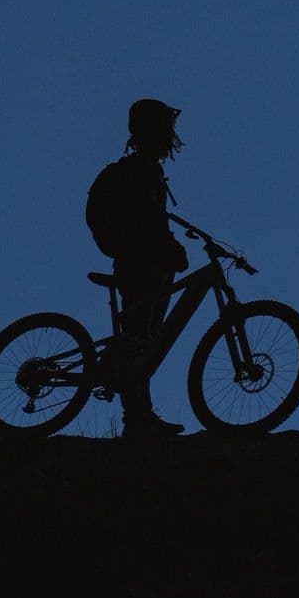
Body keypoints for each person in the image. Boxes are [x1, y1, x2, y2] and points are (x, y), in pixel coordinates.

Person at [106, 98, 190, 437]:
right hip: (142, 266)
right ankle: (136, 419)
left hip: (145, 264)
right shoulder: (141, 172)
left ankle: (140, 416)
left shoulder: (143, 169)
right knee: (140, 341)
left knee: (144, 342)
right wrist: (171, 248)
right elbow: (149, 222)